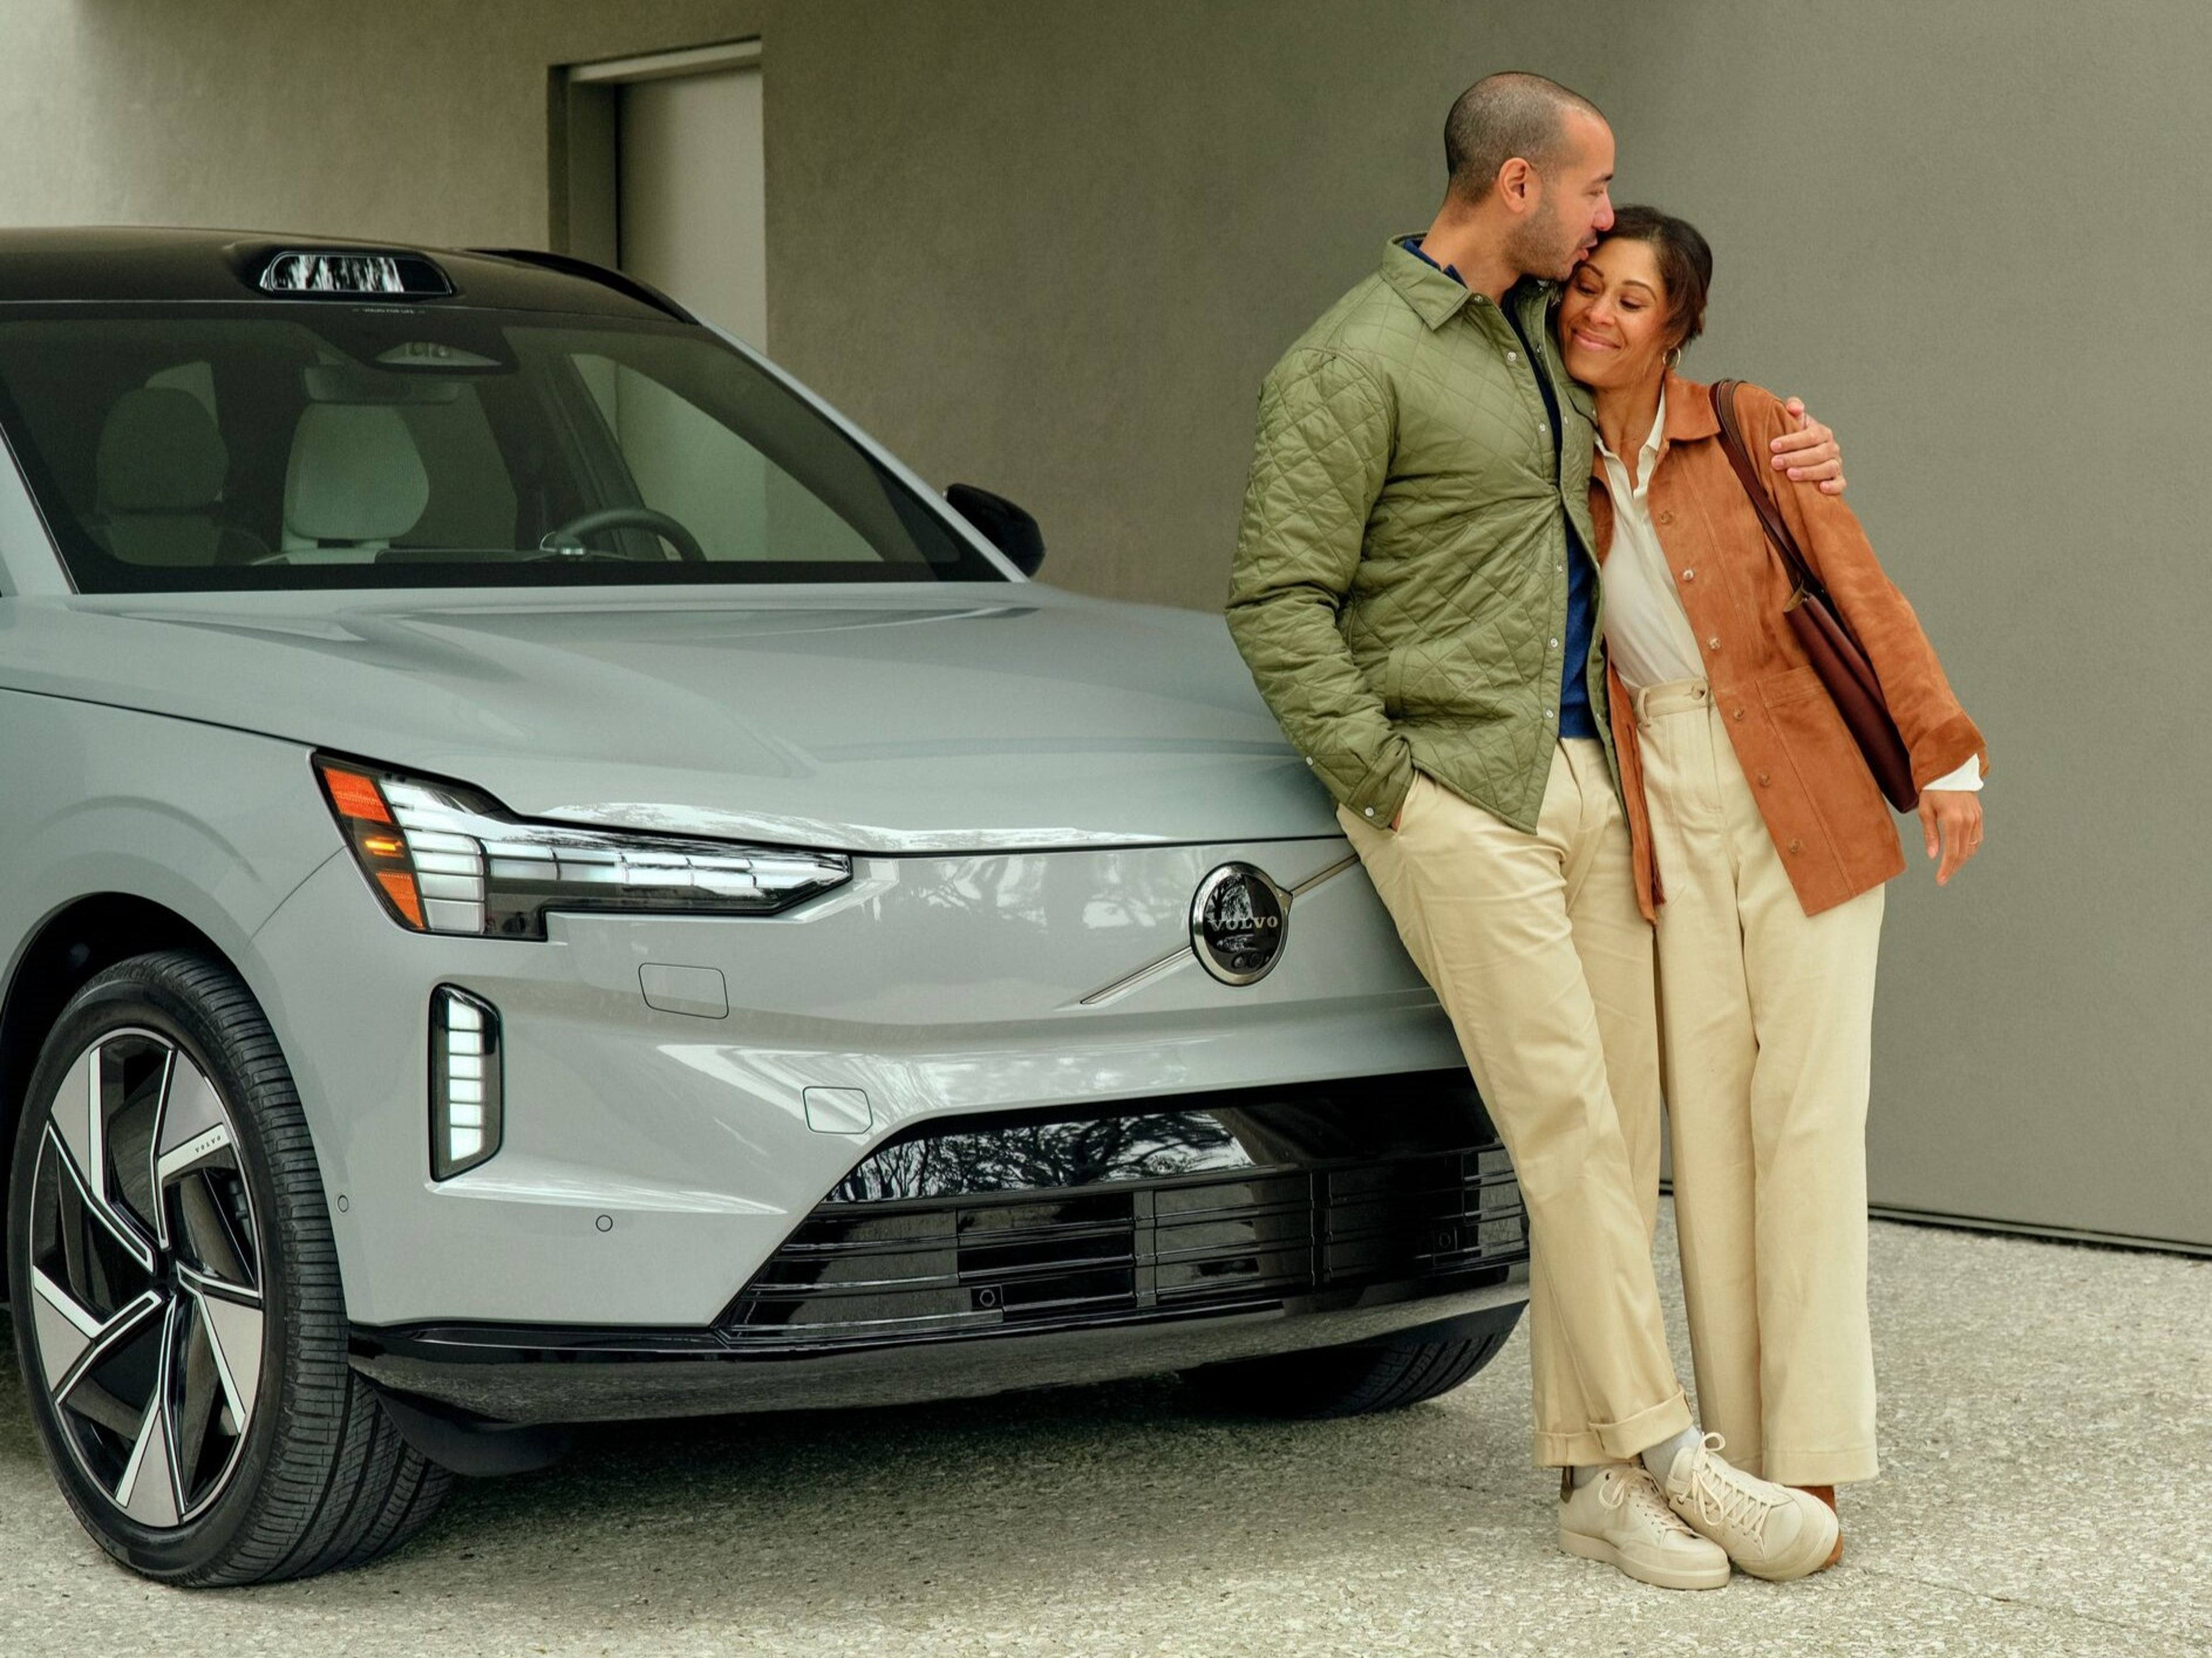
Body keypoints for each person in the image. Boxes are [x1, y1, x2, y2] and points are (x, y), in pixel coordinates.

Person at [1227, 71, 1847, 1589]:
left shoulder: (1533, 341)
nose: (1599, 223)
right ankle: (1670, 1453)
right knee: (1564, 1114)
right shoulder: (1353, 359)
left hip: (1584, 773)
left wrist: (1788, 444)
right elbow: (1275, 596)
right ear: (1517, 187)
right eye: (1587, 192)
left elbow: (1659, 423)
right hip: (1453, 790)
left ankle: (1590, 1485)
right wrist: (1384, 780)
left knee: (1613, 1140)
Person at [1558, 205, 1986, 1561]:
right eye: (1588, 287)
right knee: (1710, 1140)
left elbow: (1864, 590)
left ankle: (1816, 1468)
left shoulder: (1746, 428)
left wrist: (1948, 755)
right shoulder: (1554, 463)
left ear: (1679, 326)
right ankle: (1737, 1460)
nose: (1600, 315)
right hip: (1659, 807)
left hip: (1796, 786)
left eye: (1635, 301)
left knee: (1806, 1121)